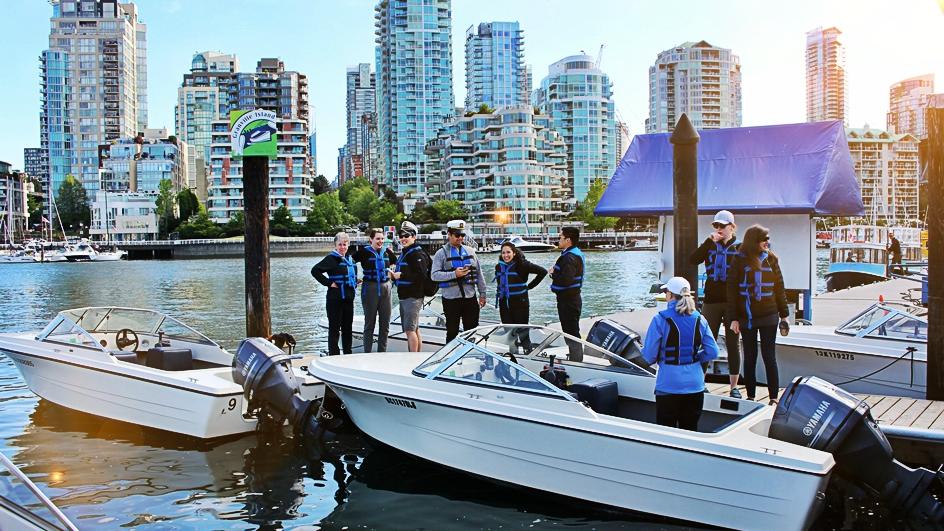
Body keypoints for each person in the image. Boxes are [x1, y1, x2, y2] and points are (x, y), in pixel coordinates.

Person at [641, 277, 719, 431]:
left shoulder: (659, 319)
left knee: (666, 435)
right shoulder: (700, 319)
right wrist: (695, 358)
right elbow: (713, 351)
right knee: (690, 431)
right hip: (695, 386)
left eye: (666, 291)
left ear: (670, 295)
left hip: (668, 386)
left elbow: (648, 356)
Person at [727, 225, 789, 405]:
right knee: (750, 357)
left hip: (770, 316)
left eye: (768, 239)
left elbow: (780, 288)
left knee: (770, 356)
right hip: (747, 317)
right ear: (754, 241)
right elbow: (731, 291)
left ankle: (773, 398)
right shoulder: (739, 260)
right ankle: (751, 397)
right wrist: (733, 319)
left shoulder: (771, 259)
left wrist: (784, 316)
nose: (767, 242)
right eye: (764, 239)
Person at [689, 209, 742, 398]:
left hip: (732, 303)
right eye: (716, 226)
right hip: (711, 300)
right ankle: (699, 382)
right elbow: (693, 259)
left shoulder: (739, 249)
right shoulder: (710, 246)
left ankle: (734, 387)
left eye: (723, 226)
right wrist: (709, 241)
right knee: (704, 340)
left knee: (732, 343)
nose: (719, 229)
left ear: (732, 228)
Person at [430, 220, 487, 342]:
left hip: (470, 298)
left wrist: (483, 294)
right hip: (451, 300)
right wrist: (454, 274)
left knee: (471, 331)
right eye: (457, 235)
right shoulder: (441, 253)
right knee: (452, 331)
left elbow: (479, 273)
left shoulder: (471, 251)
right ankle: (451, 358)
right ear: (449, 235)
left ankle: (469, 356)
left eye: (462, 235)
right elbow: (434, 275)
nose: (460, 238)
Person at [311, 232, 358, 356]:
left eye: (345, 244)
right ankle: (334, 355)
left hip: (348, 299)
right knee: (334, 329)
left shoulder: (350, 260)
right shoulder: (331, 259)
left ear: (348, 245)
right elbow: (315, 271)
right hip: (334, 299)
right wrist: (329, 283)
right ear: (335, 245)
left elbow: (352, 276)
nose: (342, 247)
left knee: (347, 329)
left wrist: (355, 281)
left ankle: (348, 354)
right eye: (340, 244)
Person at [353, 228, 398, 352]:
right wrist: (354, 277)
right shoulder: (364, 252)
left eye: (382, 239)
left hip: (386, 288)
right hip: (370, 288)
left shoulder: (387, 252)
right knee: (369, 324)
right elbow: (350, 263)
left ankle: (382, 353)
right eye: (377, 239)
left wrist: (393, 274)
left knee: (385, 324)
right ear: (371, 239)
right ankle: (367, 352)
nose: (380, 241)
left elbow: (396, 263)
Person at [391, 221, 430, 352]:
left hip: (412, 296)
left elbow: (421, 275)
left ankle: (412, 358)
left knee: (409, 330)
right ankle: (416, 357)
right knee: (414, 329)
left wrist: (401, 275)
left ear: (414, 236)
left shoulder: (415, 253)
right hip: (406, 296)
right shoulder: (407, 251)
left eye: (406, 235)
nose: (403, 239)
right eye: (401, 236)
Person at [548, 227, 585, 361]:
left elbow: (566, 281)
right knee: (571, 329)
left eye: (560, 237)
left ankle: (576, 360)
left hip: (568, 301)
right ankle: (575, 356)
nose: (559, 240)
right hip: (572, 299)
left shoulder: (569, 258)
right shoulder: (574, 254)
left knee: (571, 332)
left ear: (568, 240)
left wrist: (553, 273)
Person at [494, 241, 547, 324]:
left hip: (520, 303)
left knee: (522, 331)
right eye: (503, 253)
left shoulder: (522, 265)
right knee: (508, 331)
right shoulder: (498, 267)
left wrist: (529, 286)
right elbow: (499, 284)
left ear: (514, 253)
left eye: (508, 252)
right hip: (504, 304)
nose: (505, 255)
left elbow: (543, 271)